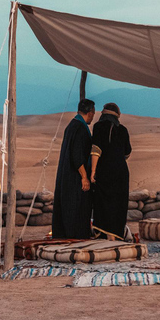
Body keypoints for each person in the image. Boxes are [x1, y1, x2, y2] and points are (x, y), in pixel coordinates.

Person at [52, 98, 95, 239]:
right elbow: (77, 156)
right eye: (93, 113)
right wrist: (84, 177)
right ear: (90, 112)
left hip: (67, 177)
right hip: (75, 179)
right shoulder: (80, 128)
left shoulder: (72, 125)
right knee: (76, 210)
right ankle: (76, 238)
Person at [90, 103, 132, 239]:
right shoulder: (123, 130)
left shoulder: (98, 127)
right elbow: (127, 153)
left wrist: (93, 171)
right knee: (117, 203)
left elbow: (96, 150)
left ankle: (104, 234)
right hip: (121, 172)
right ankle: (114, 235)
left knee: (103, 201)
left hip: (105, 171)